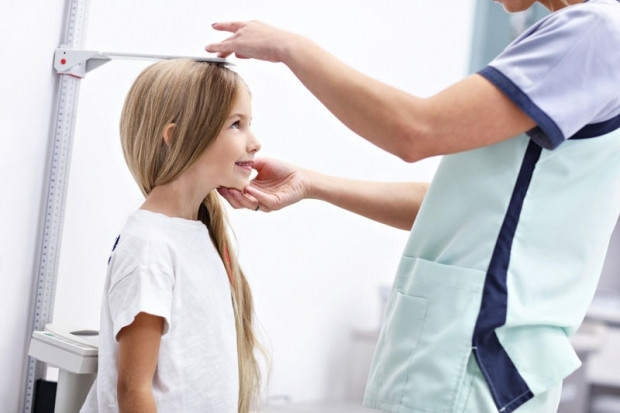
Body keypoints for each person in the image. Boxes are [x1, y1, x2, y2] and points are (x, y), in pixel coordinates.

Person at [206, 1, 620, 412]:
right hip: (481, 357)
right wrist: (312, 184)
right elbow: (466, 208)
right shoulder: (589, 38)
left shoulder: (593, 32)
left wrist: (289, 47)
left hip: (472, 354)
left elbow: (416, 130)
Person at [80, 59, 263, 413]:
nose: (255, 143)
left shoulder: (195, 234)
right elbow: (134, 392)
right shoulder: (150, 246)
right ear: (177, 137)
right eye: (236, 124)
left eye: (249, 124)